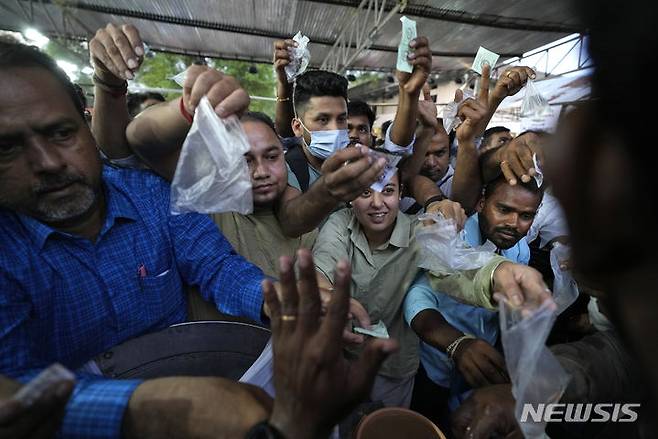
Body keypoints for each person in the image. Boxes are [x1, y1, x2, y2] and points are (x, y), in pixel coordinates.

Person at [404, 175, 543, 410]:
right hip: (435, 365)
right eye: (504, 209)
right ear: (481, 203)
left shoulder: (519, 249)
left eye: (526, 216)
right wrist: (456, 344)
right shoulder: (450, 235)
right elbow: (417, 296)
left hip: (481, 364)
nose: (513, 223)